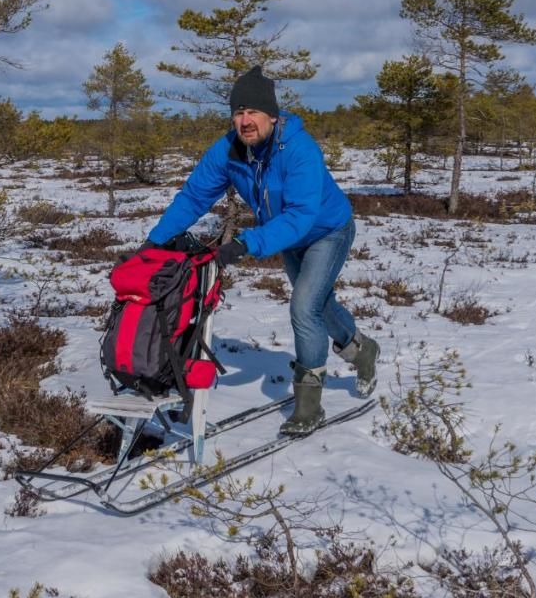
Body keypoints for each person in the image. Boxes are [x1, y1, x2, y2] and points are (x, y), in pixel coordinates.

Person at [143, 65, 379, 435]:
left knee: (304, 307)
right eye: (238, 112)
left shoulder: (300, 150)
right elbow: (194, 196)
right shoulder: (230, 151)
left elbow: (301, 215)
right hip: (287, 236)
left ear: (272, 114)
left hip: (325, 231)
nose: (244, 120)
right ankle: (360, 349)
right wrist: (155, 241)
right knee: (319, 304)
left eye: (252, 111)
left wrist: (247, 243)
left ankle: (309, 405)